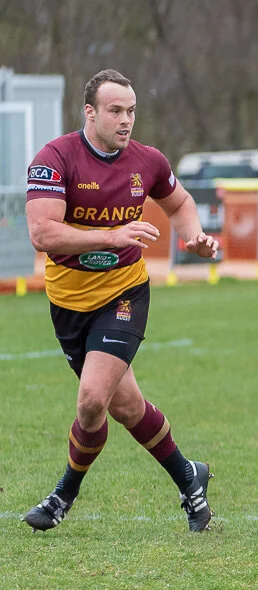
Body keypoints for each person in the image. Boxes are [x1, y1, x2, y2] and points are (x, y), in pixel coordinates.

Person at [22, 69, 220, 532]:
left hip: (124, 292)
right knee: (126, 406)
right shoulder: (54, 159)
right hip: (68, 301)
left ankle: (61, 497)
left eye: (131, 111)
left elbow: (180, 202)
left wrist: (194, 238)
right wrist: (112, 233)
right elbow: (42, 232)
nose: (126, 120)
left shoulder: (147, 160)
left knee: (92, 399)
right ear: (89, 112)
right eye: (115, 110)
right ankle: (190, 476)